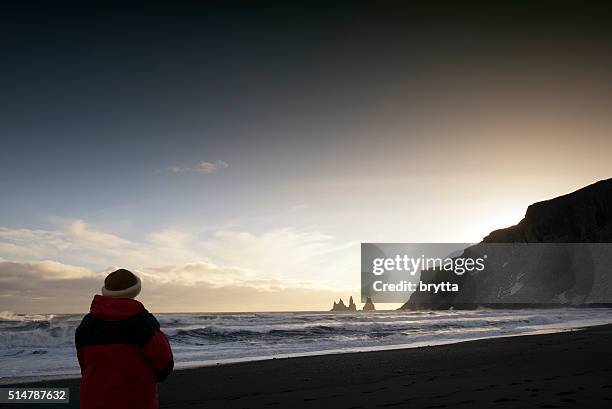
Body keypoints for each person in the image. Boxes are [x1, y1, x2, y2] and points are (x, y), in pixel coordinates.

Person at [75, 269, 174, 409]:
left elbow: (84, 363)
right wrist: (154, 377)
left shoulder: (87, 323)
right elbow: (164, 360)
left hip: (93, 399)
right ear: (135, 290)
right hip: (135, 400)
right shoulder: (142, 322)